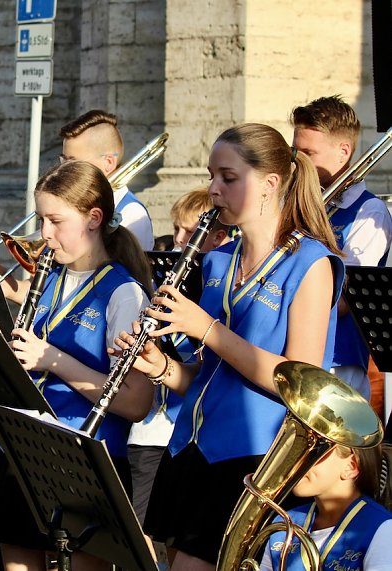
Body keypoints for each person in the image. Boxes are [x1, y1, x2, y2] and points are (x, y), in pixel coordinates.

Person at [115, 123, 345, 571]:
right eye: (211, 176)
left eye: (228, 178)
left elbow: (300, 381)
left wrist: (206, 329)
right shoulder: (219, 259)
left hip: (250, 456)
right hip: (189, 447)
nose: (214, 190)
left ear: (270, 183)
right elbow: (207, 380)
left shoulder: (310, 263)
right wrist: (161, 366)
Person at [0, 160, 154, 571]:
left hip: (87, 460)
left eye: (55, 221)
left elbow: (137, 401)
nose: (44, 233)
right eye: (43, 219)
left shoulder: (124, 294)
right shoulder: (51, 280)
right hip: (30, 447)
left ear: (94, 219)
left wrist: (53, 359)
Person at [127, 187, 231, 530]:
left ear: (219, 237)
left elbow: (205, 358)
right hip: (152, 426)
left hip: (183, 427)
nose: (178, 240)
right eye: (176, 229)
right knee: (144, 525)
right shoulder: (169, 276)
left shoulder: (218, 284)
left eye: (189, 232)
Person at [291, 95, 392, 400]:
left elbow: (345, 298)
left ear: (343, 152)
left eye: (308, 153)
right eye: (295, 151)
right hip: (286, 351)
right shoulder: (293, 203)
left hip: (336, 359)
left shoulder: (369, 211)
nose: (298, 162)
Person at [260, 444, 392, 571]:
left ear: (351, 467)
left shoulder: (382, 528)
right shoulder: (284, 522)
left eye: (314, 452)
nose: (296, 462)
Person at [59, 110, 155, 250]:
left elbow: (130, 270)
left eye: (73, 162)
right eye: (63, 160)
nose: (63, 170)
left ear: (108, 163)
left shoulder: (131, 213)